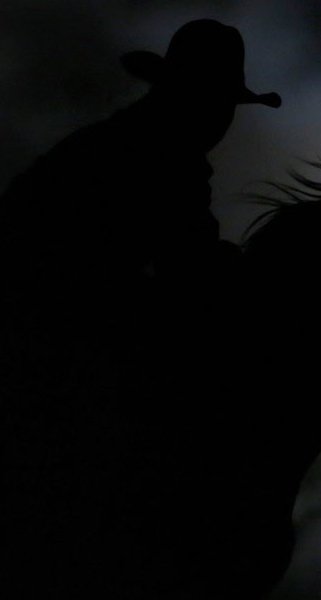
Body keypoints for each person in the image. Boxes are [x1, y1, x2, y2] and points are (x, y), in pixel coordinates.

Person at [0, 19, 281, 597]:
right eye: (219, 101)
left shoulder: (130, 142)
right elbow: (187, 270)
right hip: (41, 348)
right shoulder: (157, 155)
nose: (222, 118)